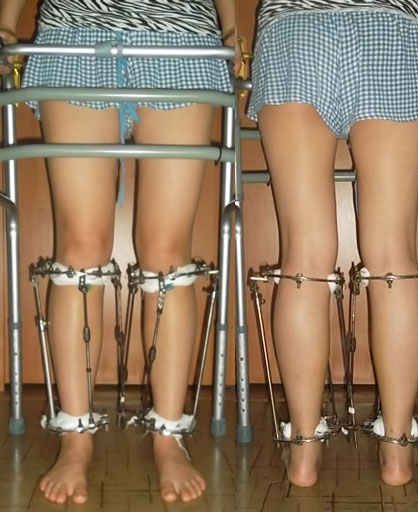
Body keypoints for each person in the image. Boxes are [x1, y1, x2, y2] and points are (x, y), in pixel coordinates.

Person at [0, 0, 237, 504]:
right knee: (79, 248)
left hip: (180, 34)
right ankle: (75, 436)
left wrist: (233, 25)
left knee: (168, 255)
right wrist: (5, 22)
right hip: (74, 31)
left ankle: (169, 434)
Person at [247, 0, 418, 488]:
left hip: (294, 30)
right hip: (388, 27)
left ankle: (303, 451)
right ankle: (398, 451)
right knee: (393, 256)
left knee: (304, 256)